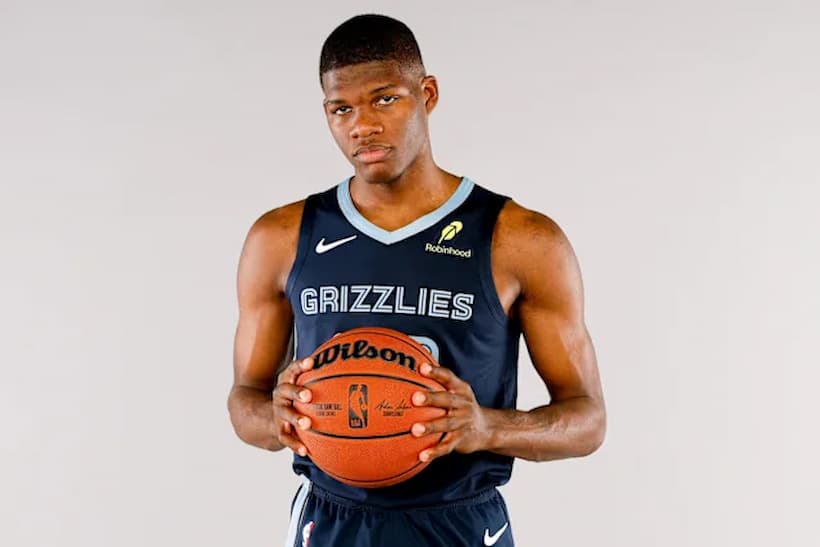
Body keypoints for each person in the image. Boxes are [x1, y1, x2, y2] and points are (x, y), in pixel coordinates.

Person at [228, 13, 606, 547]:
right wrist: (277, 418)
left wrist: (487, 427)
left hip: (459, 524)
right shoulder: (281, 238)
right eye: (342, 108)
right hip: (331, 524)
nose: (362, 125)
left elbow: (587, 420)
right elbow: (243, 401)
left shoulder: (520, 240)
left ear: (427, 94)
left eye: (384, 99)